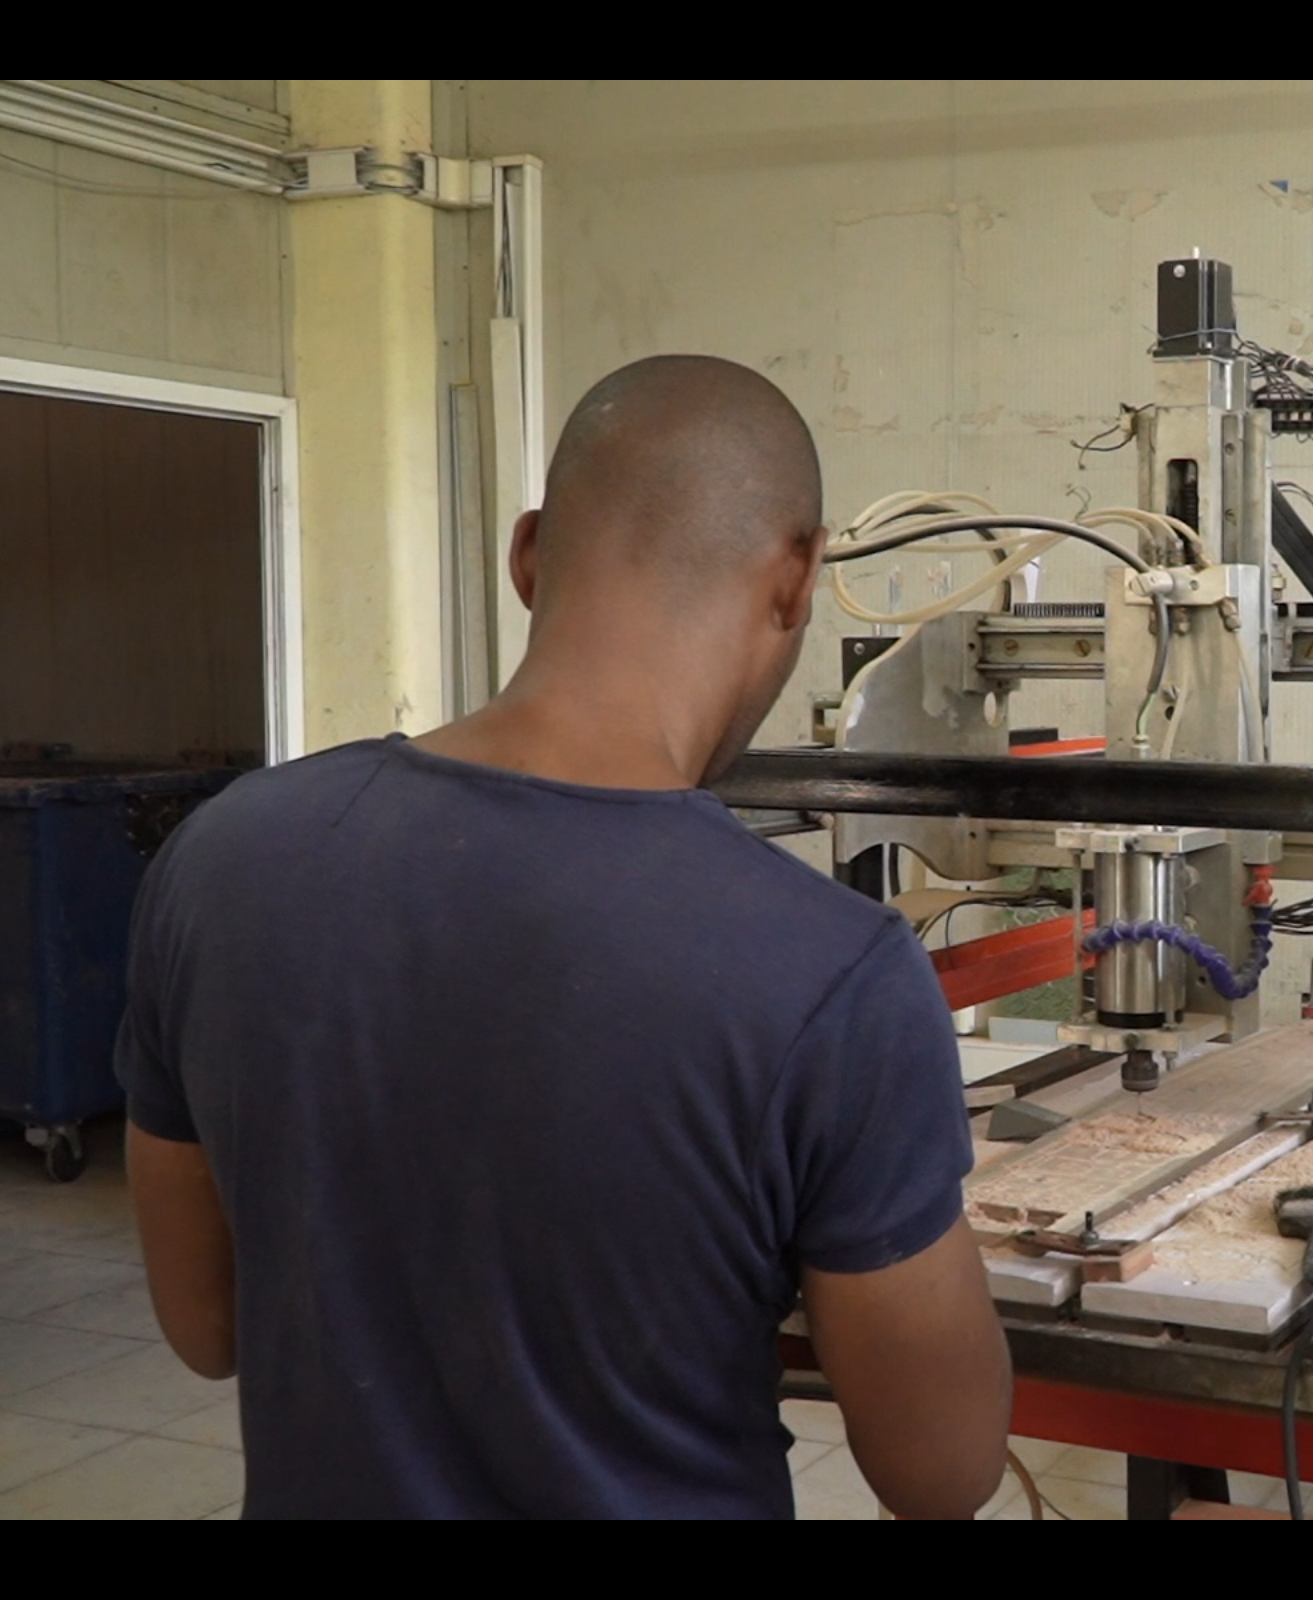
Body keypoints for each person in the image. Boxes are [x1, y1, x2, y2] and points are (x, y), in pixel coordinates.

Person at [114, 355, 1011, 1518]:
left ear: (528, 554)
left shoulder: (220, 859)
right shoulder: (829, 973)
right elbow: (940, 1473)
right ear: (797, 579)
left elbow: (207, 1326)